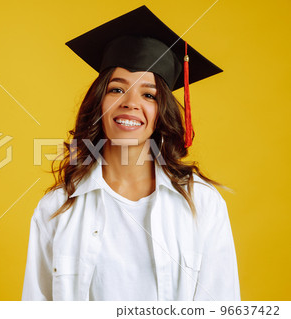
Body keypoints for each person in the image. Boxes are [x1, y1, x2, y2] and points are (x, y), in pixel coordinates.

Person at [21, 5, 240, 301]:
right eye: (116, 89)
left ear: (161, 112)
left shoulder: (201, 204)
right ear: (99, 102)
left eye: (148, 95)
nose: (130, 103)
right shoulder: (57, 209)